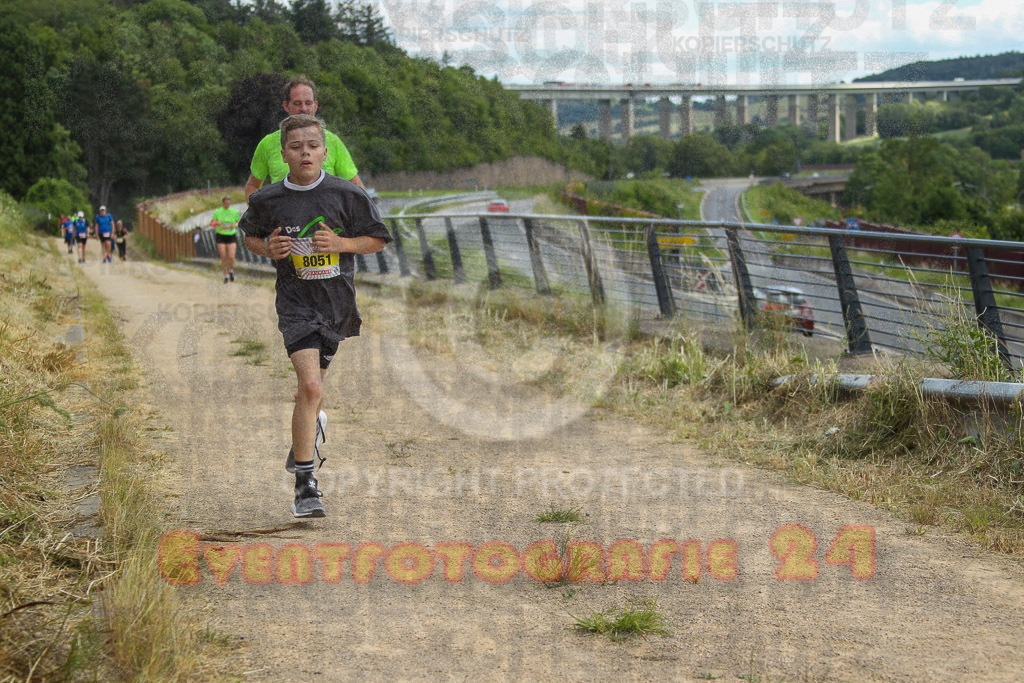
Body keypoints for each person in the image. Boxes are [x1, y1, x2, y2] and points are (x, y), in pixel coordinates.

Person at [239, 114, 390, 518]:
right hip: (295, 304)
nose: (304, 152)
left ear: (326, 151)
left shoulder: (347, 195)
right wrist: (268, 248)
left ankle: (307, 433)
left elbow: (377, 239)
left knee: (314, 391)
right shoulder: (268, 199)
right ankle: (306, 486)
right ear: (283, 154)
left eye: (312, 145)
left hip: (336, 304)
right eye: (295, 146)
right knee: (308, 386)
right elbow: (249, 235)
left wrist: (341, 242)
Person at [244, 75, 364, 202]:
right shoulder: (267, 143)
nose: (303, 108)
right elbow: (252, 186)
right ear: (286, 106)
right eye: (297, 103)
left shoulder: (333, 141)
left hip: (325, 219)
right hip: (284, 219)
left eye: (308, 103)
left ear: (315, 106)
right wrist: (259, 215)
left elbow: (357, 188)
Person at [211, 196, 240, 283]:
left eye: (228, 203)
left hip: (231, 235)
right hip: (221, 235)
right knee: (223, 257)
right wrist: (216, 223)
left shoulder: (234, 212)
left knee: (231, 256)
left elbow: (238, 222)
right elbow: (212, 223)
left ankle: (231, 270)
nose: (227, 205)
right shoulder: (218, 212)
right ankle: (225, 275)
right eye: (225, 203)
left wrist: (235, 224)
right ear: (223, 203)